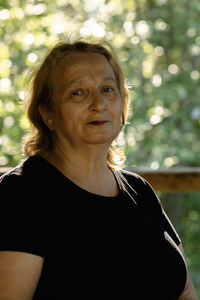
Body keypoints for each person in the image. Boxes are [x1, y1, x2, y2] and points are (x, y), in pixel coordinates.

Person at [0, 39, 198, 300]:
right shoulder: (22, 193)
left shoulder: (139, 190)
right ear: (47, 112)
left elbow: (184, 291)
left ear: (123, 105)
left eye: (107, 89)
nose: (99, 103)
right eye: (77, 93)